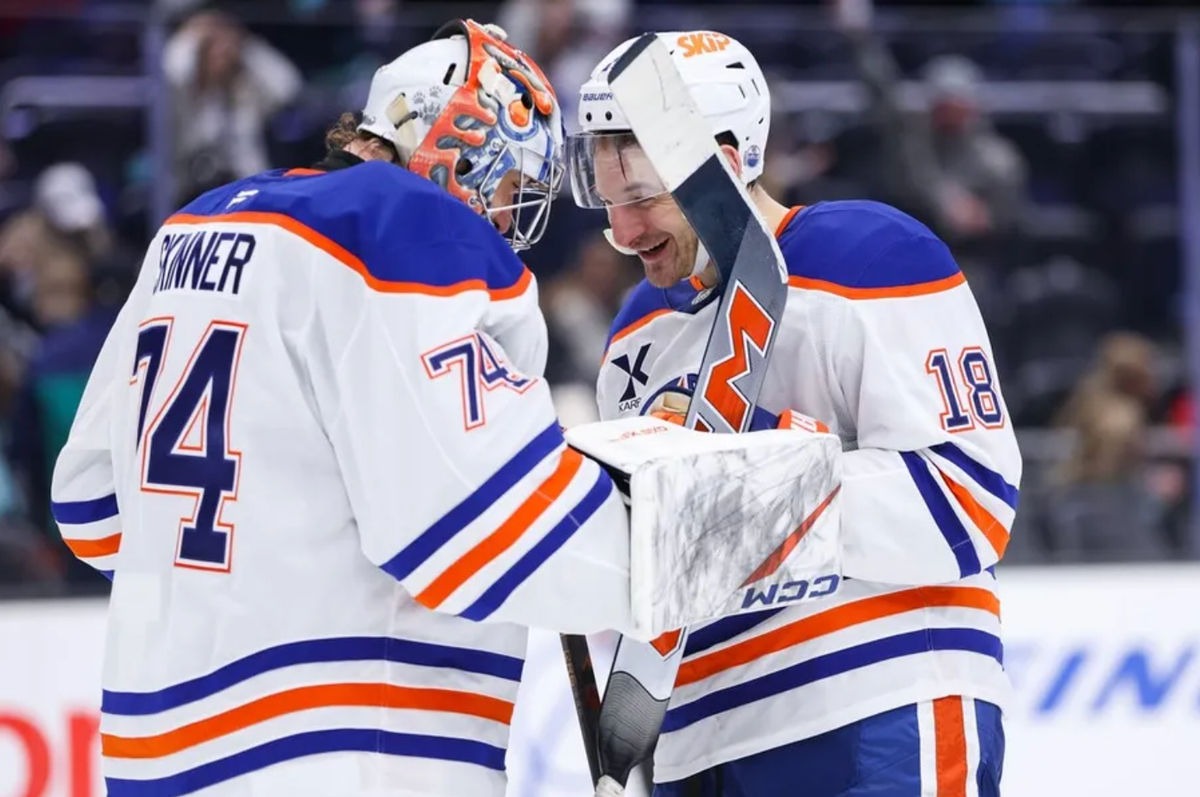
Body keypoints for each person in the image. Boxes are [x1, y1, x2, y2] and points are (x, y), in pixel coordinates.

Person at [51, 19, 669, 797]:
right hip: (338, 751)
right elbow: (494, 531)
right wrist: (694, 544)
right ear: (461, 147)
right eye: (510, 189)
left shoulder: (194, 223)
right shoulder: (401, 224)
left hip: (151, 756)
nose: (510, 225)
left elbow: (92, 509)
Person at [567, 29, 1022, 796]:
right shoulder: (632, 339)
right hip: (697, 748)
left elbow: (971, 498)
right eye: (609, 200)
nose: (626, 233)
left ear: (723, 156)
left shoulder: (871, 257)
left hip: (874, 702)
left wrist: (754, 470)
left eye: (643, 195)